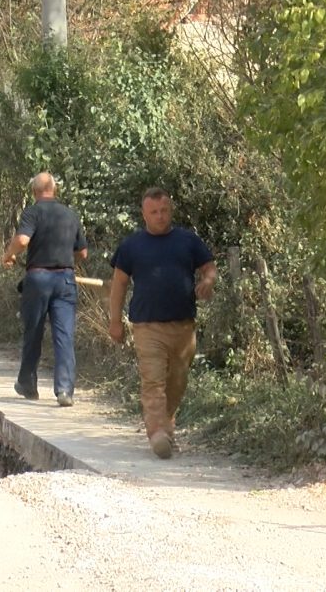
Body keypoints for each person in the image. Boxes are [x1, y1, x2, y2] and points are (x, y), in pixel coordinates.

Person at [108, 187, 216, 460]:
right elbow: (119, 284)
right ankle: (157, 432)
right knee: (153, 381)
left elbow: (209, 267)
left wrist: (208, 281)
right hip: (147, 326)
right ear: (144, 215)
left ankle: (166, 425)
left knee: (177, 383)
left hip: (183, 326)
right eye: (154, 212)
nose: (160, 216)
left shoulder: (187, 241)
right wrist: (115, 321)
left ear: (171, 211)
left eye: (164, 210)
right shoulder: (132, 246)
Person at [1, 172, 88, 407]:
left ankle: (28, 384)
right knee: (64, 334)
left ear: (34, 192)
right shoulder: (70, 214)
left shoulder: (33, 212)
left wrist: (8, 255)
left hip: (38, 278)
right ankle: (64, 390)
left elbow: (22, 241)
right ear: (55, 190)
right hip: (66, 280)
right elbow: (82, 253)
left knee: (34, 331)